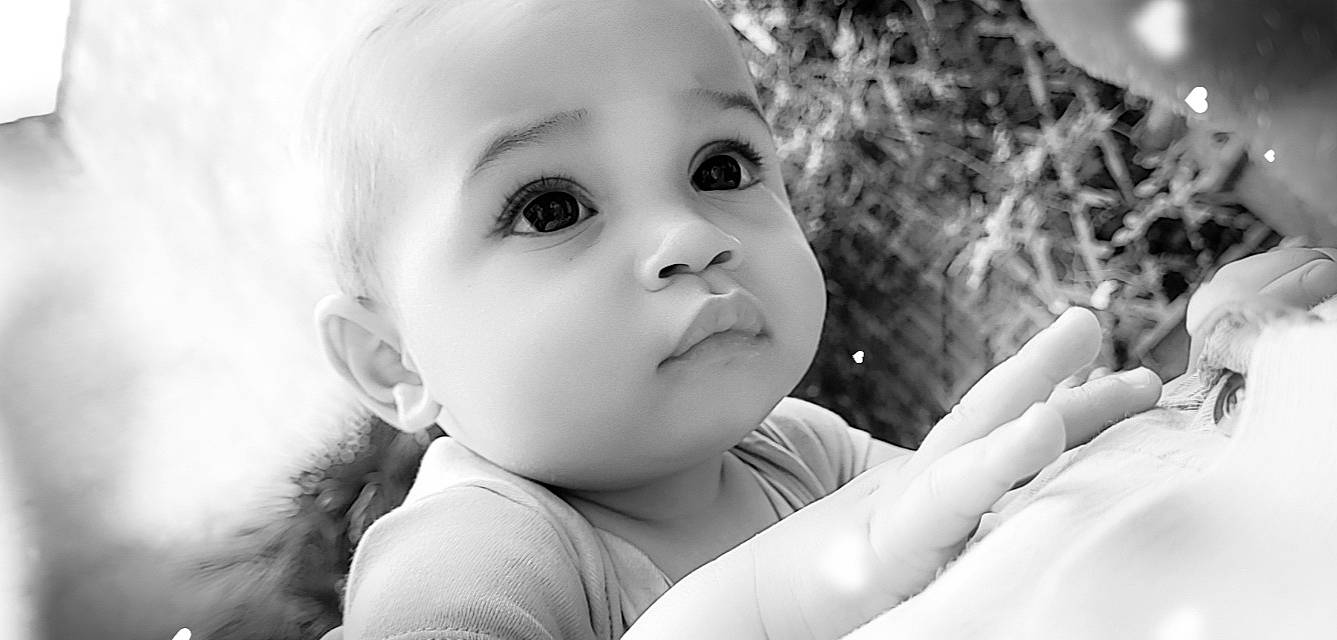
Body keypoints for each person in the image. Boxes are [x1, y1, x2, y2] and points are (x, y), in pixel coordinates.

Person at [305, 0, 1336, 637]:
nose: (687, 234)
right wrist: (771, 603)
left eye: (719, 168)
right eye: (550, 208)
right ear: (392, 358)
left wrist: (1217, 394)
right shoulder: (477, 546)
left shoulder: (795, 451)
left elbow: (1001, 534)